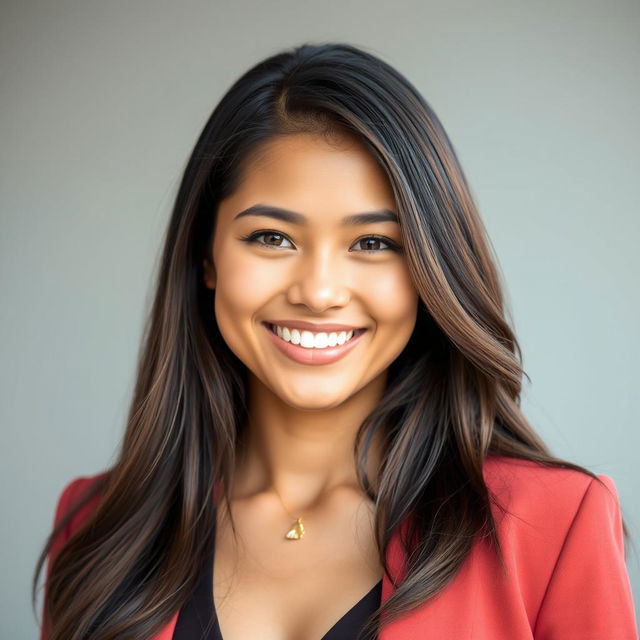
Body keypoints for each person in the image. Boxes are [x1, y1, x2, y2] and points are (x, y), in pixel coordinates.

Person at [33, 42, 638, 640]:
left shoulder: (552, 524)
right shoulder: (96, 529)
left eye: (373, 244)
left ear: (430, 269)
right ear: (207, 256)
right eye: (272, 238)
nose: (319, 292)